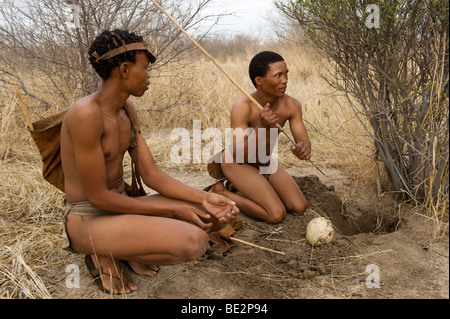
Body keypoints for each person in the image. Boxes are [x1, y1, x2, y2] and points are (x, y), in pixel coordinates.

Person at [60, 29, 239, 294]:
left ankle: (126, 246)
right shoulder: (85, 114)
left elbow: (151, 175)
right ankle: (101, 252)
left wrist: (203, 199)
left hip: (121, 210)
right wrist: (172, 211)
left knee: (214, 216)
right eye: (145, 68)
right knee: (193, 241)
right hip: (88, 218)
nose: (148, 76)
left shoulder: (127, 110)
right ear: (123, 69)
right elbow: (98, 198)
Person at [208, 51, 309, 224]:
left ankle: (238, 186)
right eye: (278, 75)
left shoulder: (291, 105)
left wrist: (303, 147)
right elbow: (240, 153)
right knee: (276, 214)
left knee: (299, 206)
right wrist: (261, 127)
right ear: (259, 81)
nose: (285, 80)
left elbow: (303, 139)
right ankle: (221, 193)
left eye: (286, 74)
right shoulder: (243, 106)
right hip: (237, 162)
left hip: (263, 160)